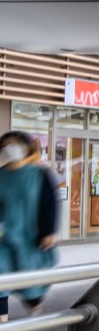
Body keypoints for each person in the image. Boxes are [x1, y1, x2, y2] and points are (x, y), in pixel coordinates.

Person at [0, 132, 57, 319]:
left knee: (32, 289)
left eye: (14, 144)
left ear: (25, 148)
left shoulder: (39, 174)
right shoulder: (1, 176)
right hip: (4, 238)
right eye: (6, 145)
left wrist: (48, 231)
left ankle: (35, 311)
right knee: (1, 281)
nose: (10, 148)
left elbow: (49, 203)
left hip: (31, 238)